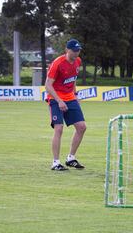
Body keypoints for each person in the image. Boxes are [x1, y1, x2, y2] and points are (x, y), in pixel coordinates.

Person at [45, 39, 87, 171]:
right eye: (74, 51)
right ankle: (55, 162)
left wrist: (76, 95)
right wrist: (59, 101)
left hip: (70, 97)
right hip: (55, 98)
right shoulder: (57, 63)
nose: (76, 53)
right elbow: (48, 85)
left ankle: (71, 158)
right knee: (59, 129)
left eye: (78, 50)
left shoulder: (78, 62)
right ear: (67, 50)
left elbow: (73, 80)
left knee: (82, 127)